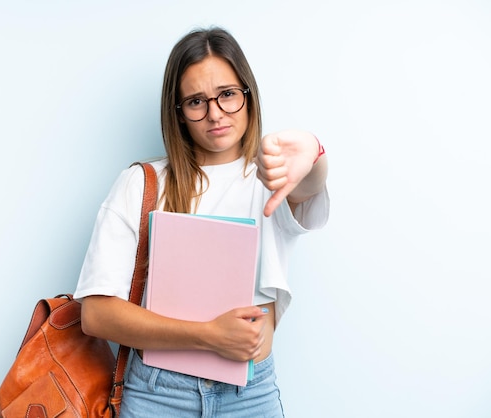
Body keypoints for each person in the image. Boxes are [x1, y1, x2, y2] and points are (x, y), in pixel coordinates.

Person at [74, 27, 329, 417]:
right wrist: (208, 336)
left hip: (251, 394)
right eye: (196, 101)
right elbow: (96, 314)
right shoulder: (141, 184)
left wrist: (313, 152)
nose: (214, 114)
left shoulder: (272, 179)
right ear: (177, 112)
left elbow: (309, 183)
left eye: (227, 95)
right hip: (159, 394)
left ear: (247, 94)